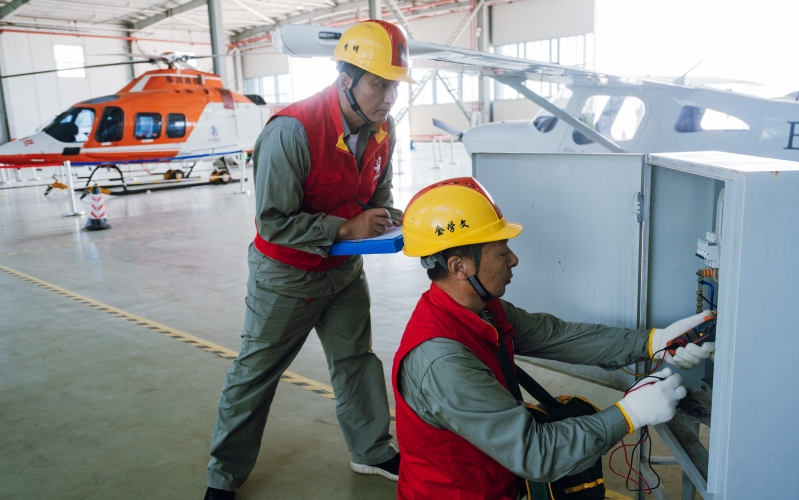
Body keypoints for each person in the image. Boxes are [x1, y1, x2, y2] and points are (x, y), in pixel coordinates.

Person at [392, 177, 716, 499]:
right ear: (459, 266)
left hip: (496, 481)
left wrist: (654, 341)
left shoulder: (482, 310)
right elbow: (535, 452)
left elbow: (558, 336)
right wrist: (629, 414)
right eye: (502, 252)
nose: (513, 260)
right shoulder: (441, 362)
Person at [204, 20, 416, 500]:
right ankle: (223, 476)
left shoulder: (385, 129)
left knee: (356, 361)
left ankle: (372, 450)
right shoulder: (292, 131)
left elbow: (375, 197)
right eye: (378, 84)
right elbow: (274, 222)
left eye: (394, 86)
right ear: (345, 80)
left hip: (343, 272)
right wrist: (344, 228)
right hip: (286, 278)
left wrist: (396, 219)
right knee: (256, 374)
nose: (388, 98)